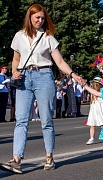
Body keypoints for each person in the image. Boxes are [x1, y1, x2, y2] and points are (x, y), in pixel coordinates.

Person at [0, 4, 81, 174]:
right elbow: (15, 59)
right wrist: (14, 71)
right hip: (23, 79)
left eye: (43, 18)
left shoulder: (48, 37)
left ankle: (49, 157)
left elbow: (59, 62)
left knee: (46, 121)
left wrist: (73, 74)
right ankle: (16, 159)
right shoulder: (19, 36)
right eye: (37, 17)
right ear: (29, 17)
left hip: (44, 76)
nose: (40, 20)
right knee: (21, 120)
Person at [86, 76, 103, 145]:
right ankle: (91, 138)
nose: (94, 86)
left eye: (96, 85)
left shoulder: (102, 93)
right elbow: (91, 102)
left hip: (100, 110)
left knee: (102, 124)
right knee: (92, 125)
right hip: (93, 110)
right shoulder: (92, 93)